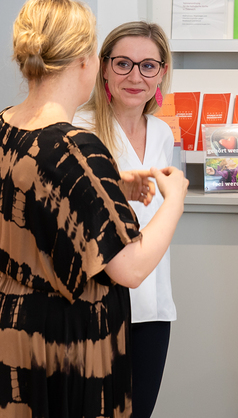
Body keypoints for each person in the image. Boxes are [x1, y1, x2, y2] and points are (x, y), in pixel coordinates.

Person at [0, 0, 187, 417]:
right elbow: (130, 270)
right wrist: (175, 200)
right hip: (59, 336)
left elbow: (32, 200)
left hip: (2, 321)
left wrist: (108, 186)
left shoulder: (1, 127)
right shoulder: (76, 146)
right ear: (89, 62)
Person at [75, 21, 177, 418]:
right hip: (96, 306)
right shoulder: (79, 129)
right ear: (103, 67)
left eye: (148, 66)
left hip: (153, 306)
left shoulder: (162, 133)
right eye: (123, 64)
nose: (135, 77)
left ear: (162, 73)